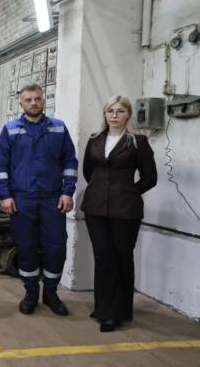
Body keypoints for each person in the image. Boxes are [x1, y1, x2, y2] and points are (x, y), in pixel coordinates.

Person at [0, 83, 78, 317]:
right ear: (21, 103)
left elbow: (70, 161)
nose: (33, 103)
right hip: (22, 200)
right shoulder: (10, 130)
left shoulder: (58, 128)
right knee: (26, 246)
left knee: (56, 247)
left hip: (52, 199)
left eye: (37, 99)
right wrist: (5, 196)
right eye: (28, 100)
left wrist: (68, 191)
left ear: (43, 100)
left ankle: (50, 293)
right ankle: (31, 292)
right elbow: (0, 166)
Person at [81, 96, 157, 332]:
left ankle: (119, 311)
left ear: (128, 115)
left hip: (125, 210)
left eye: (120, 111)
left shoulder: (138, 141)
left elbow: (150, 177)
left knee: (122, 257)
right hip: (95, 208)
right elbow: (88, 172)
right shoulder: (94, 140)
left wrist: (127, 192)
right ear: (105, 114)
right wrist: (101, 190)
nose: (114, 115)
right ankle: (105, 310)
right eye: (110, 111)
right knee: (103, 257)